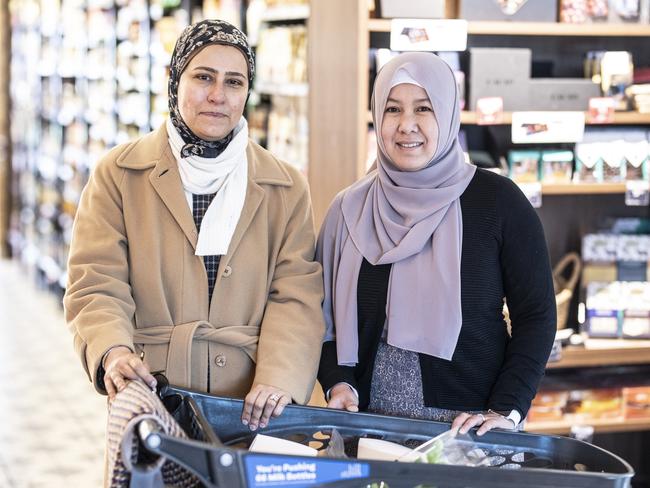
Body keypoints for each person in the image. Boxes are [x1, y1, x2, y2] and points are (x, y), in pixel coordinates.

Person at [64, 19, 325, 432]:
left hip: (253, 405)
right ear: (175, 79)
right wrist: (113, 351)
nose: (218, 96)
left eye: (234, 82)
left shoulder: (286, 186)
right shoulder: (119, 174)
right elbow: (96, 281)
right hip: (151, 392)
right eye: (204, 77)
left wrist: (279, 377)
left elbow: (296, 294)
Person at [316, 52, 556, 435]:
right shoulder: (349, 210)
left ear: (446, 112)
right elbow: (320, 316)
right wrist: (337, 381)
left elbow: (537, 316)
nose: (406, 125)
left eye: (423, 108)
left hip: (472, 432)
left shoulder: (499, 202)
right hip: (367, 433)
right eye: (392, 109)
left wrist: (506, 410)